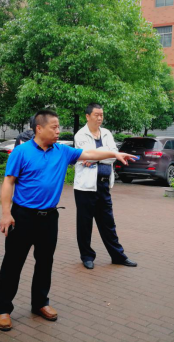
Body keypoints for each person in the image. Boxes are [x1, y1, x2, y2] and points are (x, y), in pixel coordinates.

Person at [0, 109, 136, 332]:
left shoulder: (62, 151)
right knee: (13, 263)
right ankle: (3, 309)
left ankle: (40, 303)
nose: (58, 131)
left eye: (59, 127)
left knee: (45, 262)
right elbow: (8, 182)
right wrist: (5, 213)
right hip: (22, 216)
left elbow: (89, 153)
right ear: (39, 128)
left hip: (49, 217)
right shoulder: (21, 151)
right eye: (54, 127)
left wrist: (114, 154)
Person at [73, 103, 137, 270]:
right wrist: (103, 153)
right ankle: (87, 256)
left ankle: (118, 256)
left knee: (108, 223)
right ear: (88, 116)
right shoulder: (80, 135)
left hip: (103, 184)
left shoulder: (107, 133)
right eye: (96, 115)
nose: (100, 118)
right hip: (85, 187)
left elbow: (113, 156)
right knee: (85, 223)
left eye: (101, 115)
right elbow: (86, 155)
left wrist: (97, 156)